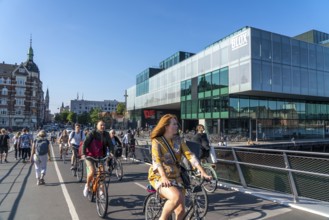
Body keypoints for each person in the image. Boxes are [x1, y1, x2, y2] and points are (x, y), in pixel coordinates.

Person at [148, 114, 211, 219]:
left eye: (176, 124)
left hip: (177, 177)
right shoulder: (157, 141)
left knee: (181, 210)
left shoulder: (179, 140)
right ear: (166, 126)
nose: (177, 126)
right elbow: (156, 160)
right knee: (176, 197)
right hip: (160, 175)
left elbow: (190, 155)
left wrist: (202, 171)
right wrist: (163, 176)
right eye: (174, 124)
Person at [81, 120, 114, 197]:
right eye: (101, 125)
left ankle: (101, 191)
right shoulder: (93, 133)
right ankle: (87, 185)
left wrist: (112, 152)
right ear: (97, 126)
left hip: (100, 156)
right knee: (92, 171)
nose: (103, 126)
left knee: (102, 173)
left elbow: (110, 145)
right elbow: (85, 143)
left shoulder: (106, 134)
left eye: (104, 125)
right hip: (90, 155)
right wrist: (83, 154)